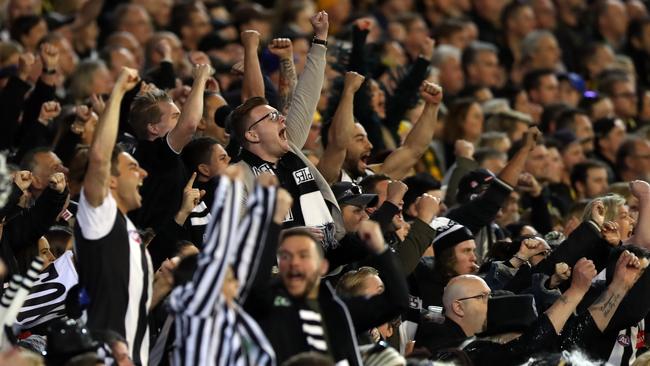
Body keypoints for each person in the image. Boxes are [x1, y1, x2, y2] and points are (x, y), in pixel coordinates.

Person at [244, 220, 409, 365]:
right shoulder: (264, 308)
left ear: (322, 266)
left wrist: (380, 249)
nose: (294, 263)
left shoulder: (339, 311)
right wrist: (273, 232)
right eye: (286, 256)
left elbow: (397, 301)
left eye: (303, 255)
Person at [74, 67, 151, 365]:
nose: (143, 173)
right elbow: (99, 158)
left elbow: (130, 309)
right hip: (105, 357)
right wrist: (119, 91)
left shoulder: (126, 228)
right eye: (134, 168)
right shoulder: (100, 216)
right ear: (111, 181)